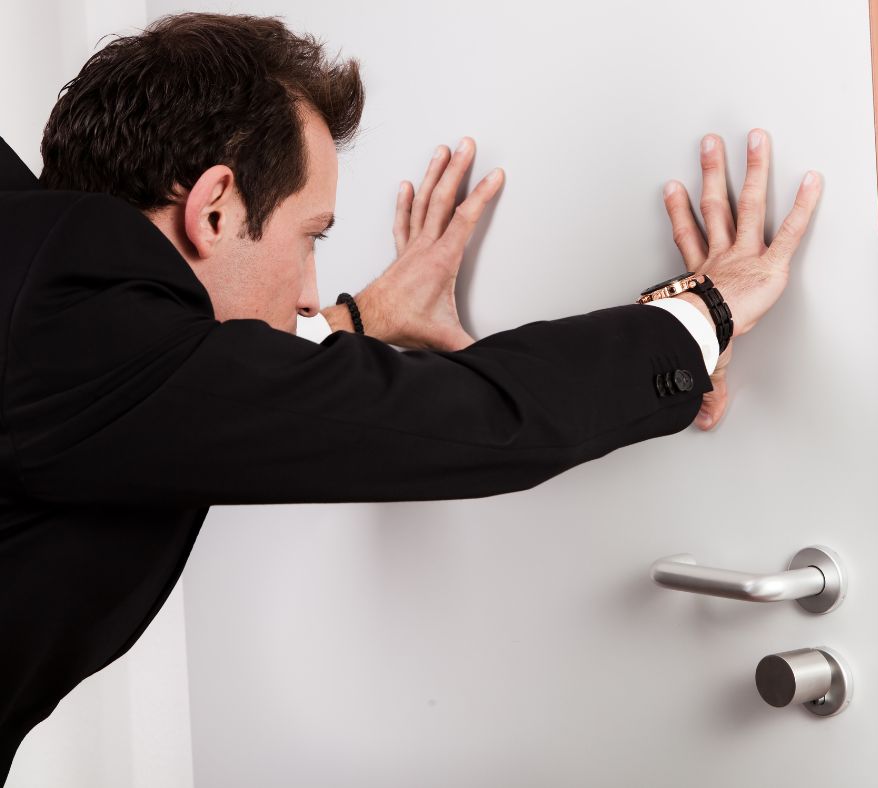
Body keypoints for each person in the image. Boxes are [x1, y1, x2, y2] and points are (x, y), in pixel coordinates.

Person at [0, 11, 821, 782]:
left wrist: (361, 320)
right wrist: (704, 310)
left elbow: (191, 382)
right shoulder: (87, 343)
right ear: (213, 209)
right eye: (310, 236)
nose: (307, 287)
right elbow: (485, 421)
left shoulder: (39, 274)